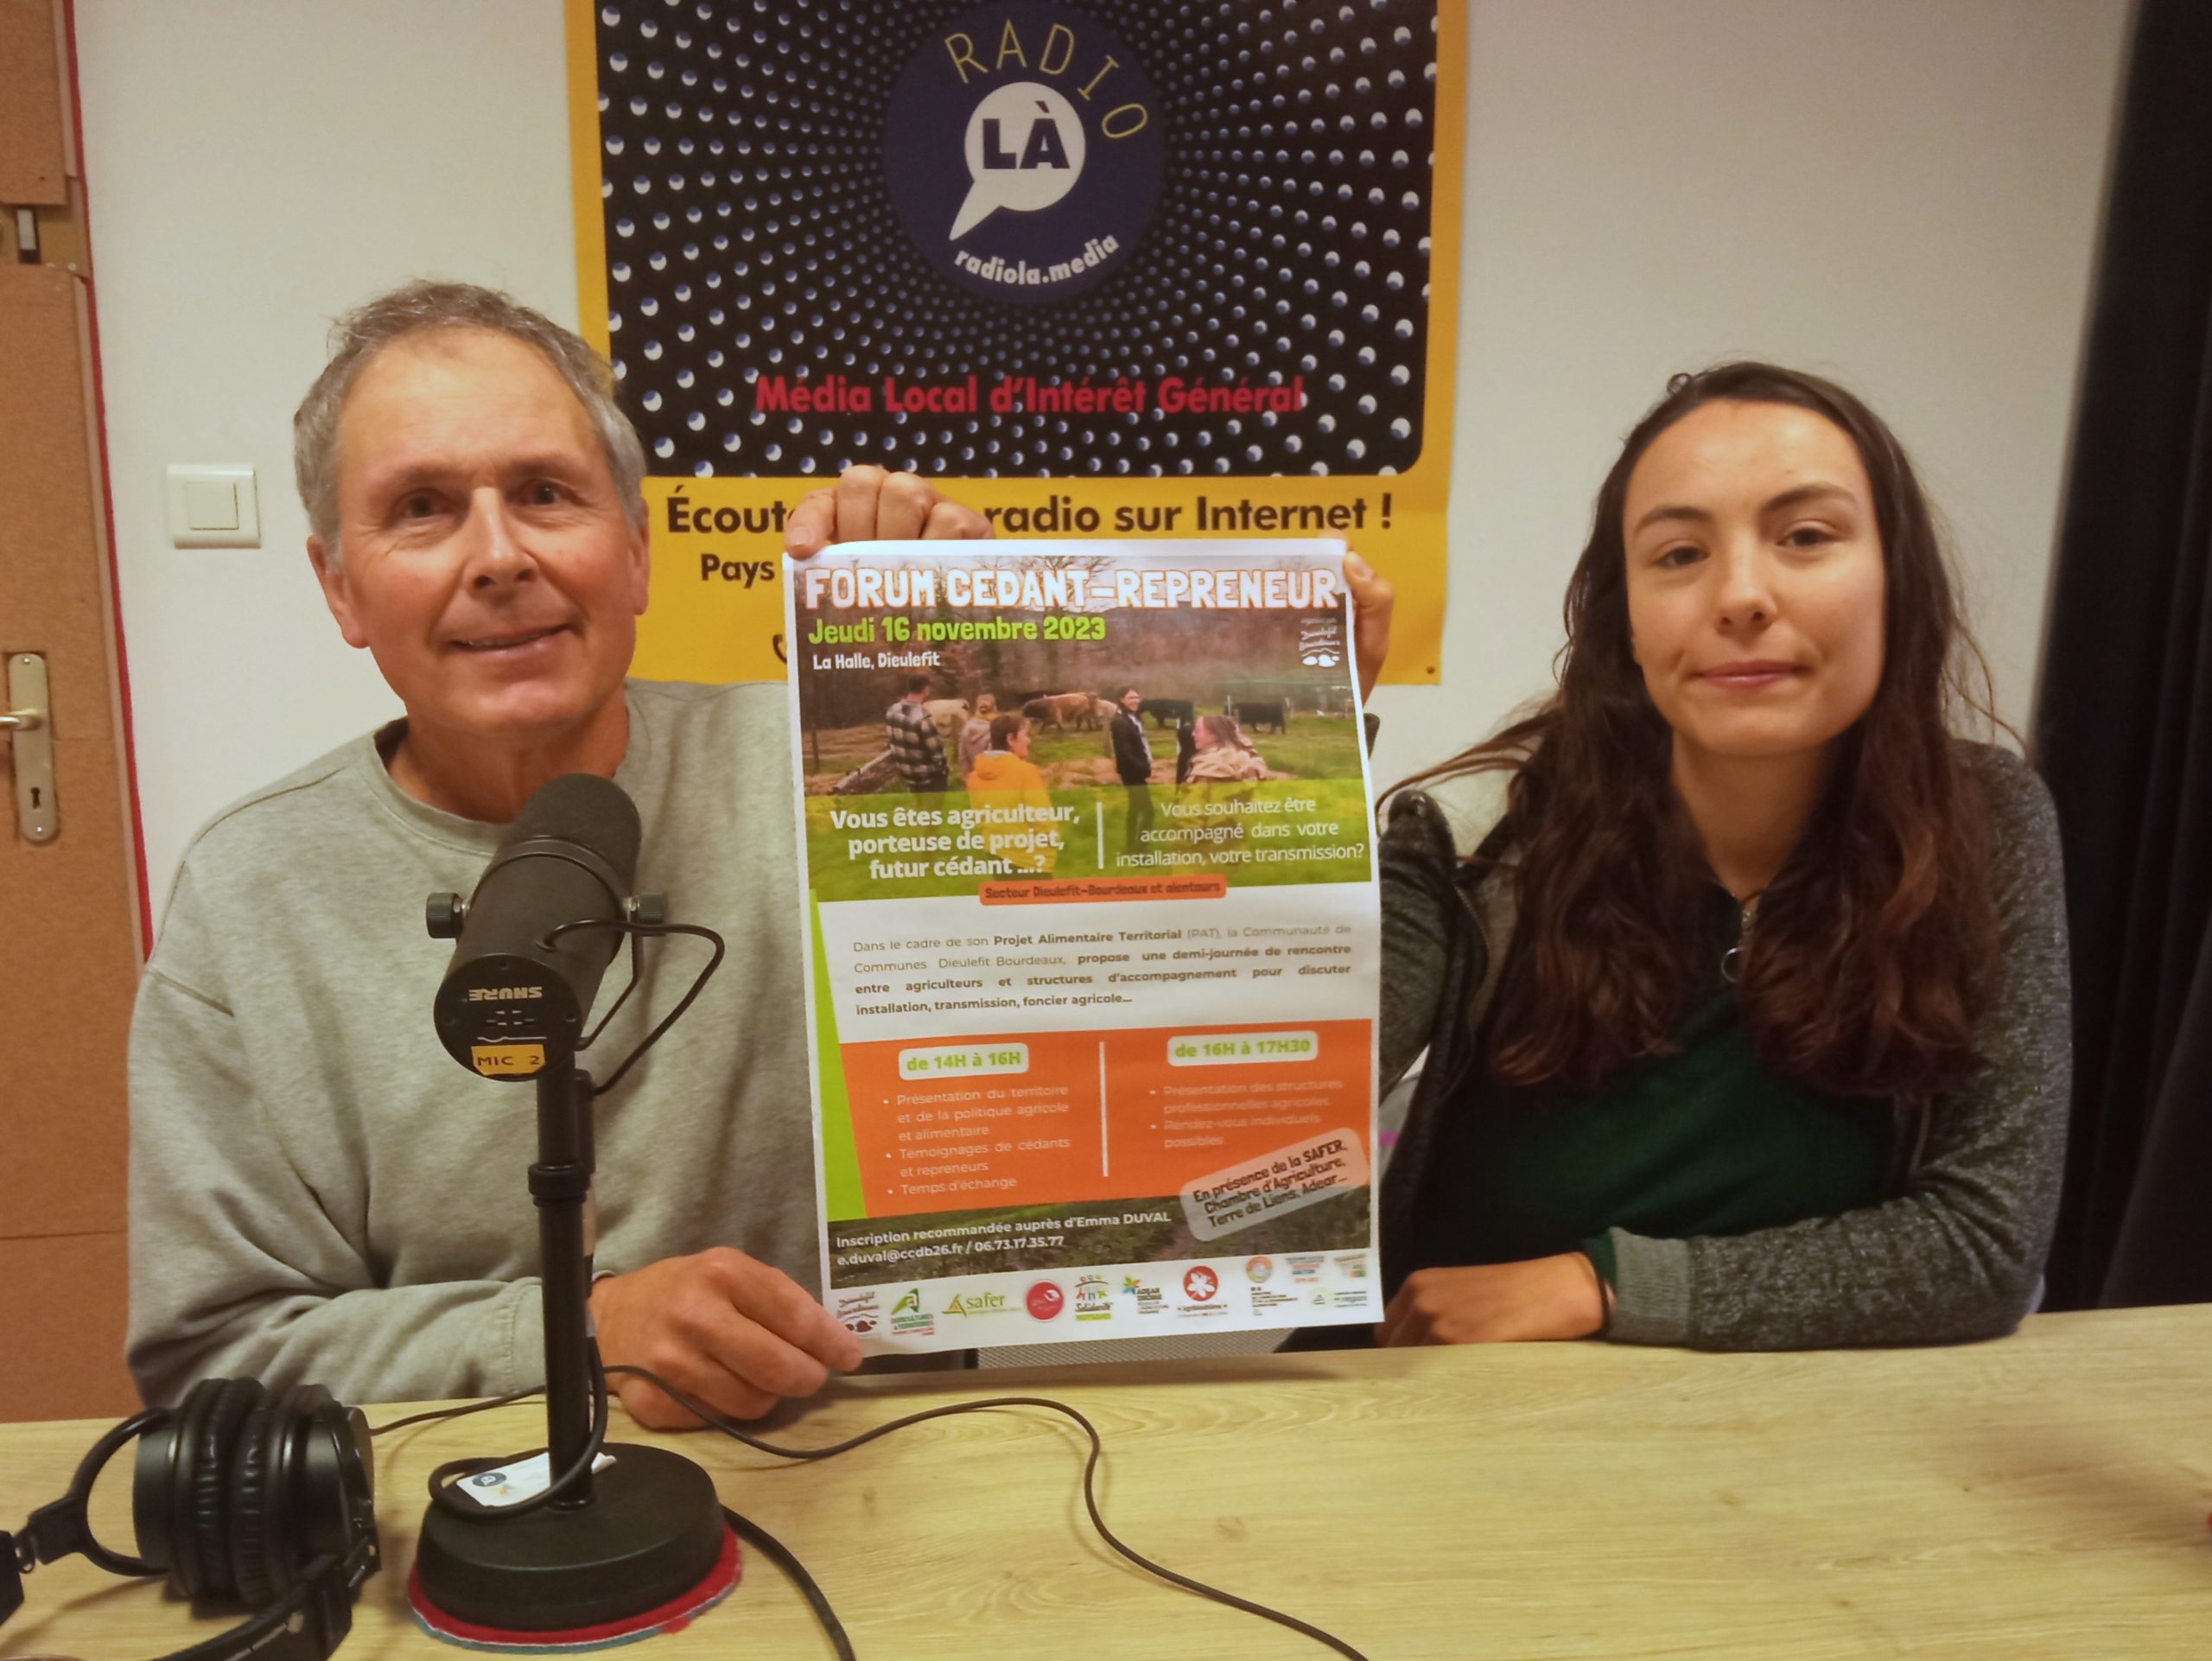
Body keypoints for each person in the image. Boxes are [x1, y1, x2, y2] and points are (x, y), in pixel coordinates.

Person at [124, 281, 993, 1428]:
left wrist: (987, 617)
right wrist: (572, 1330)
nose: (498, 556)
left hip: (893, 1455)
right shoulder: (250, 890)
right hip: (468, 1500)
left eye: (544, 493)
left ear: (635, 553)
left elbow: (1090, 1031)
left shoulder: (808, 779)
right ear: (340, 587)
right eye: (422, 507)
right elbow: (215, 1351)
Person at [1368, 363, 2069, 1352]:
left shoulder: (1982, 820)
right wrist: (1291, 775)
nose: (1741, 595)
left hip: (1815, 1416)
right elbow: (1243, 1114)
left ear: (1897, 582)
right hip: (1463, 1403)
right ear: (1624, 618)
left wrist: (1601, 1284)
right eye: (1680, 553)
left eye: (1805, 536)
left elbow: (1980, 1247)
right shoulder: (1474, 834)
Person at [967, 714, 1058, 874]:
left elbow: (979, 817)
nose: (1029, 741)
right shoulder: (1026, 772)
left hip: (995, 854)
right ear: (1011, 739)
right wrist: (1054, 841)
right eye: (1025, 735)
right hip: (1029, 860)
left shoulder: (974, 777)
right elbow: (1041, 818)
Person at [884, 673, 950, 799]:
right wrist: (944, 770)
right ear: (926, 689)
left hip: (907, 773)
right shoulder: (923, 718)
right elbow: (937, 753)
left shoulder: (892, 710)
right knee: (932, 809)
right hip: (927, 777)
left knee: (920, 806)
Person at [1108, 684, 1154, 855]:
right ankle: (1141, 850)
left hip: (1136, 770)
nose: (1136, 701)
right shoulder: (1119, 722)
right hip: (1132, 773)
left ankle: (1130, 847)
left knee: (1135, 809)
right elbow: (1124, 752)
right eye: (1131, 698)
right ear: (1121, 700)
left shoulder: (1133, 718)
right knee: (1149, 812)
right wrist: (1143, 768)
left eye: (1137, 697)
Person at [1185, 713, 1269, 784]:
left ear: (1215, 734)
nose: (1193, 734)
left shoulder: (1209, 768)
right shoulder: (1245, 757)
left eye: (1197, 730)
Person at [957, 692, 999, 783]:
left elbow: (963, 756)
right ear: (995, 708)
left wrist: (968, 778)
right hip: (993, 780)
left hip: (974, 779)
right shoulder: (996, 730)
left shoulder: (966, 728)